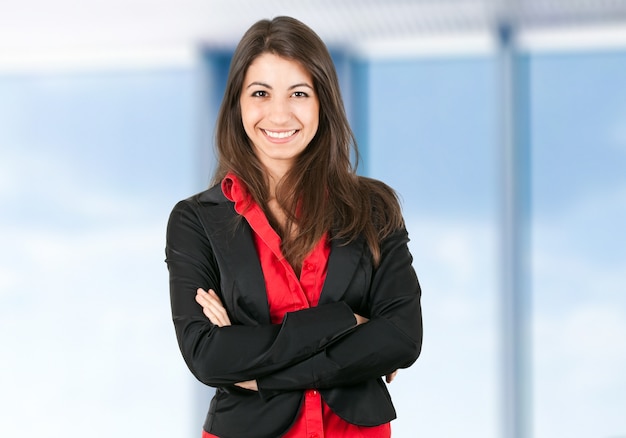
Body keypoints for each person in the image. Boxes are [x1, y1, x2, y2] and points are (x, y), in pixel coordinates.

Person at [165, 16, 423, 438]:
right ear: (238, 104)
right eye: (261, 93)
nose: (279, 113)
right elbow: (209, 358)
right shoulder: (195, 221)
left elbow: (401, 338)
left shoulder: (374, 209)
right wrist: (349, 324)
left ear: (323, 102)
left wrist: (258, 370)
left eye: (298, 93)